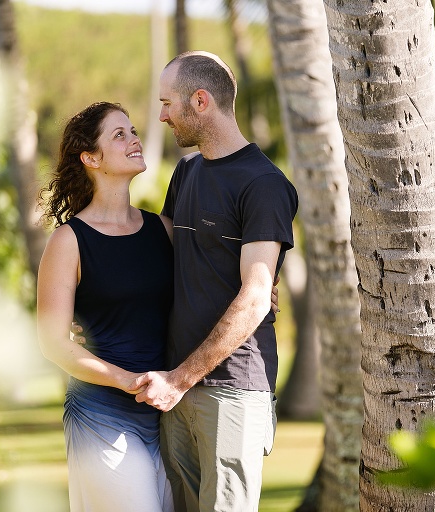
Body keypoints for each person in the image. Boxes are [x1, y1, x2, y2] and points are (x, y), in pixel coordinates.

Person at [130, 51, 298, 512]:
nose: (162, 116)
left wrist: (179, 380)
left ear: (200, 101)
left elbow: (255, 296)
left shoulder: (263, 184)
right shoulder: (186, 172)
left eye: (167, 103)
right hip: (176, 387)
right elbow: (156, 260)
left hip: (231, 388)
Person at [36, 102, 175, 512]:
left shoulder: (163, 230)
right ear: (91, 159)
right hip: (100, 415)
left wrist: (262, 287)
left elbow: (203, 287)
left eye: (133, 131)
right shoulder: (68, 241)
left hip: (167, 415)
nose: (134, 139)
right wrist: (128, 381)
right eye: (119, 134)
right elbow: (53, 343)